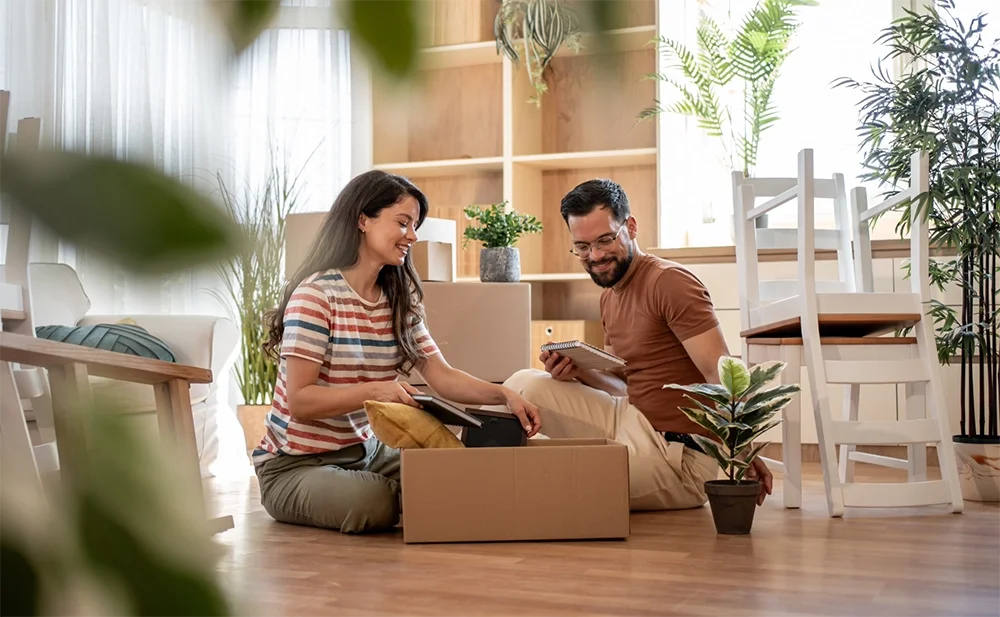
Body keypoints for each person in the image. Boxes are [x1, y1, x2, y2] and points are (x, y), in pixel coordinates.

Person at [252, 169, 542, 534]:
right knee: (374, 502)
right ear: (362, 220)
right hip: (295, 466)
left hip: (367, 454)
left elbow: (442, 376)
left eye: (415, 225)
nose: (413, 236)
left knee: (464, 475)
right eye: (403, 223)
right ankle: (407, 496)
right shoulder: (316, 296)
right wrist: (375, 391)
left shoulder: (396, 302)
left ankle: (416, 494)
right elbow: (301, 402)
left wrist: (504, 394)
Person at [495, 178, 772, 511]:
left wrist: (743, 451)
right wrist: (578, 372)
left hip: (682, 455)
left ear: (631, 226)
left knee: (557, 483)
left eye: (605, 240)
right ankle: (490, 468)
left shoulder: (669, 282)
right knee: (521, 384)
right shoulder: (610, 296)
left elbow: (721, 370)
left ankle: (502, 479)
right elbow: (622, 382)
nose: (594, 256)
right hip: (633, 418)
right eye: (582, 246)